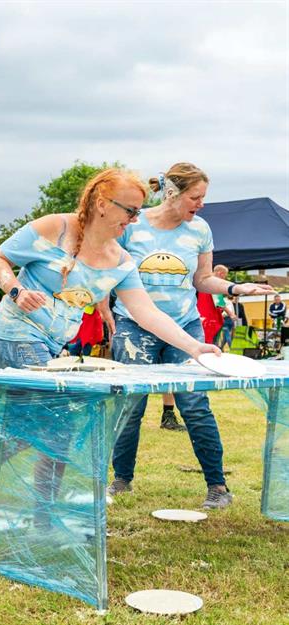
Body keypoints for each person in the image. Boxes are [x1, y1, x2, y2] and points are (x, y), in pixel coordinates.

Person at [0, 167, 221, 531]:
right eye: (130, 211)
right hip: (14, 335)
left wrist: (195, 347)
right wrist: (16, 290)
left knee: (23, 429)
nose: (134, 220)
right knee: (58, 424)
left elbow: (145, 312)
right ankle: (43, 517)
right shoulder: (56, 228)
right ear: (102, 203)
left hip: (47, 344)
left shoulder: (119, 260)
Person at [103, 162, 273, 509]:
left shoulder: (200, 229)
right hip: (135, 327)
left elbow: (203, 280)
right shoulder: (132, 226)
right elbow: (108, 270)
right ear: (171, 193)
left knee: (194, 404)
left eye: (203, 197)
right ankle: (121, 480)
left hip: (185, 325)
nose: (201, 204)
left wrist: (236, 288)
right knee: (130, 405)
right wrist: (105, 310)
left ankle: (218, 487)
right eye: (196, 197)